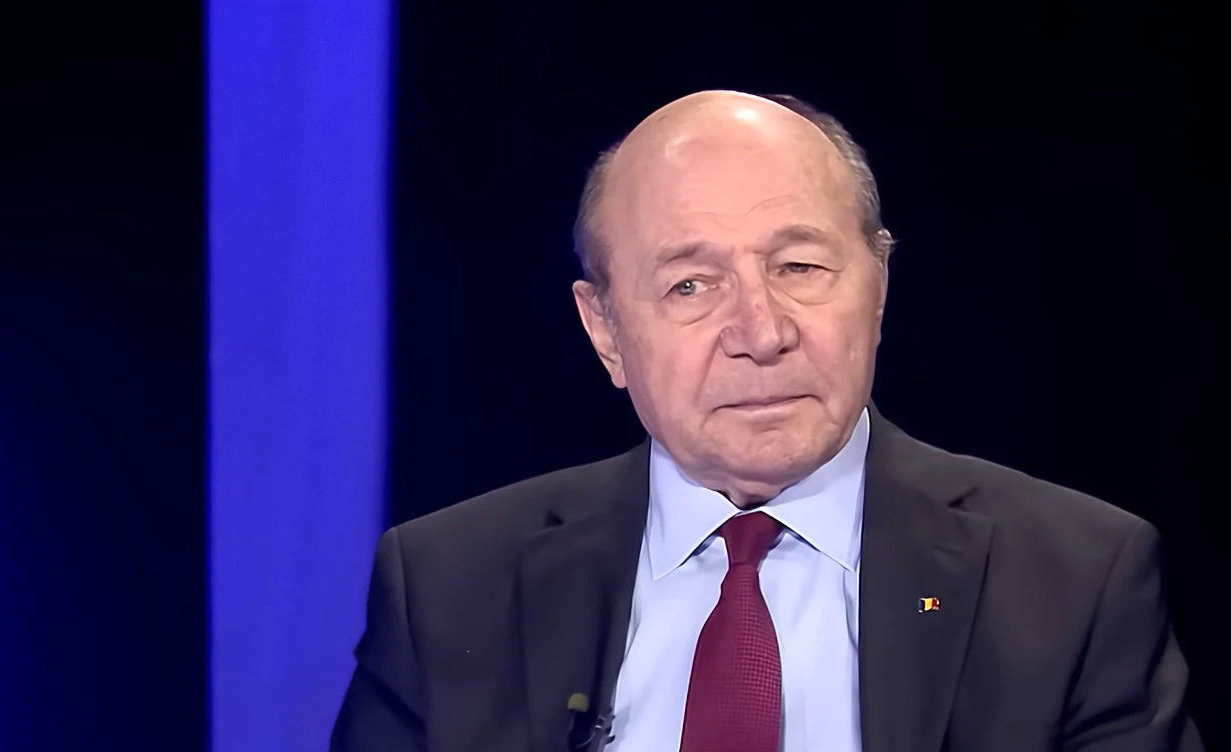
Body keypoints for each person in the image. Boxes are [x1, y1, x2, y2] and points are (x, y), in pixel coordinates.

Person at [330, 90, 1202, 751]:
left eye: (799, 266)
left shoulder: (1073, 578)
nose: (761, 332)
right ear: (605, 332)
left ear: (877, 288)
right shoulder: (449, 587)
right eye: (689, 285)